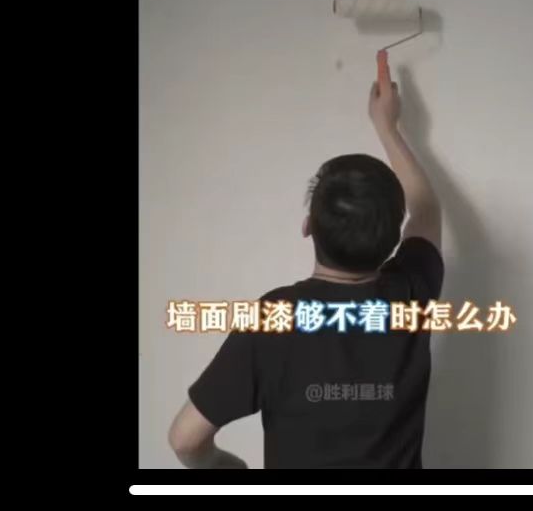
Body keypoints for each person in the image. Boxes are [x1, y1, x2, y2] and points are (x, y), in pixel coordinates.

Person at [167, 71, 443, 469]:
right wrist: (387, 127)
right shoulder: (413, 292)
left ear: (308, 226)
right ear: (392, 240)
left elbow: (185, 440)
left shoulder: (273, 320)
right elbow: (426, 209)